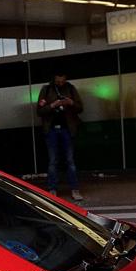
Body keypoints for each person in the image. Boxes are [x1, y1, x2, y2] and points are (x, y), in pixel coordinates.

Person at [36, 70, 85, 202]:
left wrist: (71, 103)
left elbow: (80, 108)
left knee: (70, 161)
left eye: (62, 81)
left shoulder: (70, 88)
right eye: (58, 81)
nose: (60, 83)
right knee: (53, 161)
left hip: (67, 129)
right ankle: (52, 189)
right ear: (54, 79)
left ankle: (75, 189)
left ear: (66, 79)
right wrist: (53, 105)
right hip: (51, 129)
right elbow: (39, 111)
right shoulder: (46, 90)